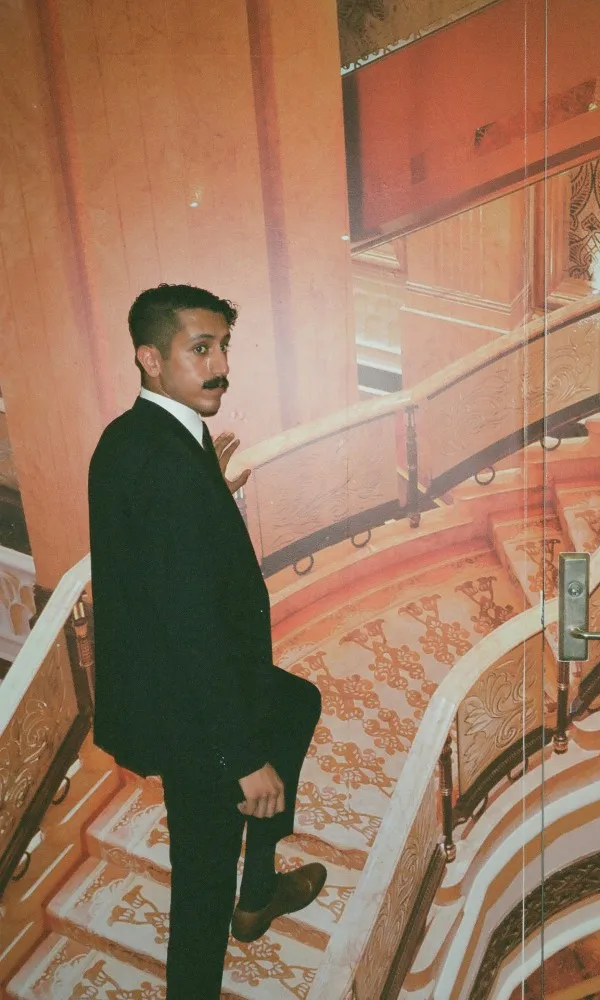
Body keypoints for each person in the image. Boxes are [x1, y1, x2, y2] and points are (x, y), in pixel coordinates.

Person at [88, 284, 325, 1000]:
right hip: (191, 711)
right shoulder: (166, 467)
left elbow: (165, 554)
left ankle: (259, 894)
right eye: (201, 349)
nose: (221, 365)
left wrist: (211, 484)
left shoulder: (138, 436)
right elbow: (191, 627)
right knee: (202, 879)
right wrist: (242, 759)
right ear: (150, 357)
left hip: (171, 683)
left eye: (223, 347)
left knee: (297, 702)